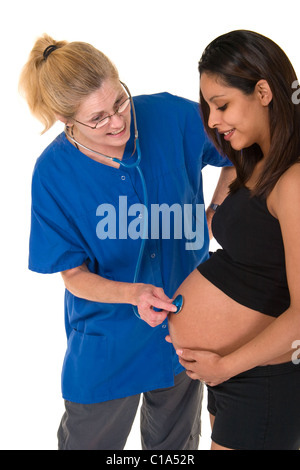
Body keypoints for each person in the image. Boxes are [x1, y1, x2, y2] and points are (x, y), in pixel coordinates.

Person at [19, 34, 234, 450]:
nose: (117, 122)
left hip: (184, 326)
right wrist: (132, 293)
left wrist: (217, 210)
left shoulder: (171, 116)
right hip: (107, 343)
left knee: (175, 452)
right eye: (97, 118)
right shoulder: (52, 175)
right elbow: (74, 275)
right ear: (68, 123)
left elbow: (244, 149)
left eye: (119, 102)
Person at [167, 30, 300, 450]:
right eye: (208, 106)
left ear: (263, 91)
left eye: (222, 105)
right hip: (229, 376)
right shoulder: (256, 161)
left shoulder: (294, 181)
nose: (211, 120)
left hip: (260, 380)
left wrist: (225, 364)